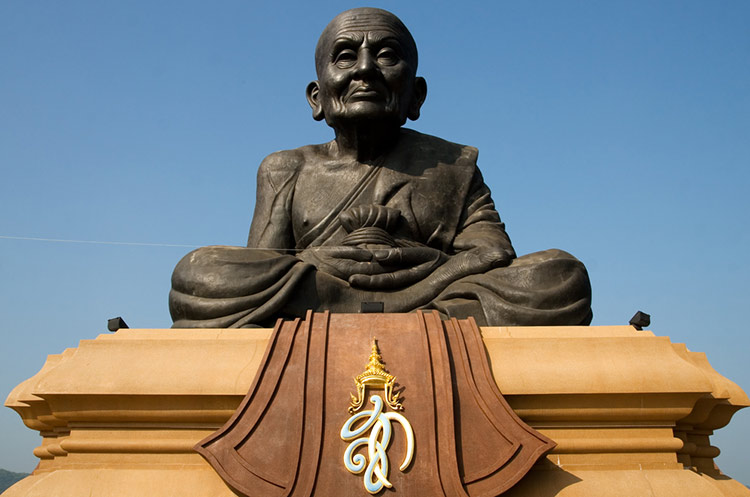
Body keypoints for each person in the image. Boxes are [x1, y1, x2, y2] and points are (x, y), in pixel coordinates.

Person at [169, 7, 592, 328]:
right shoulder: (286, 168)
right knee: (200, 272)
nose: (366, 69)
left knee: (559, 275)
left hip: (426, 293)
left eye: (387, 55)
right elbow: (266, 267)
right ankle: (402, 312)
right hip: (339, 293)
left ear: (416, 95)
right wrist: (324, 264)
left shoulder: (453, 164)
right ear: (317, 98)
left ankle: (387, 309)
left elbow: (494, 252)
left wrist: (419, 273)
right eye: (346, 57)